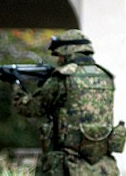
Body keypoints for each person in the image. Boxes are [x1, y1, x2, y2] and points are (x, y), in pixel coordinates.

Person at [12, 29, 124, 175]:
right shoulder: (106, 77)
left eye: (59, 56)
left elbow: (31, 108)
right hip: (103, 167)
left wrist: (16, 87)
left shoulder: (62, 78)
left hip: (68, 166)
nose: (58, 61)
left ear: (67, 53)